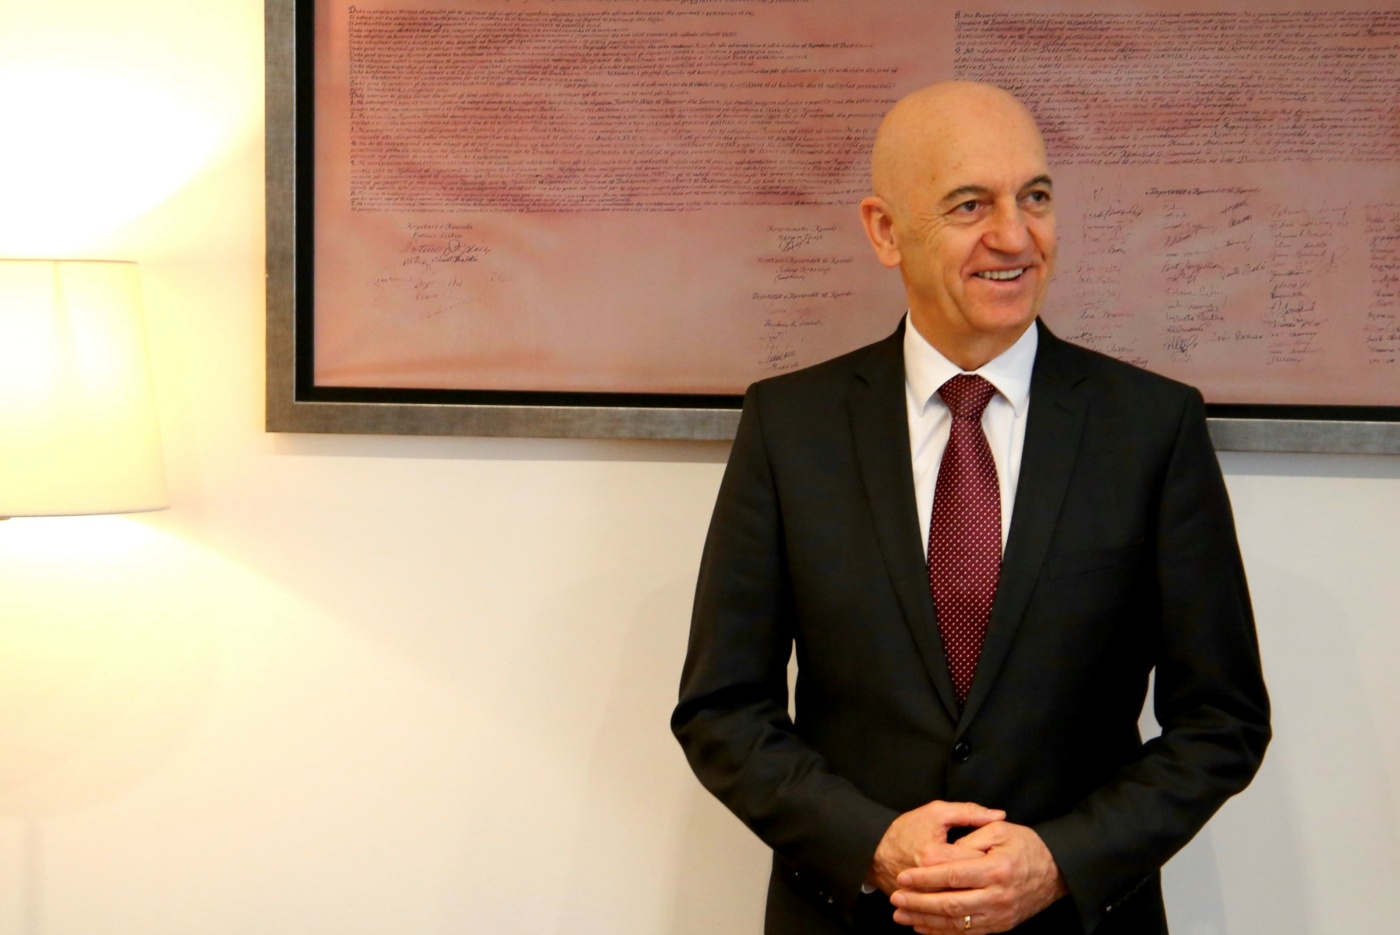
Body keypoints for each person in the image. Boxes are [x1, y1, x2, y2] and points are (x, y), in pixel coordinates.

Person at [671, 81, 1270, 935]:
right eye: (970, 205)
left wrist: (1060, 859)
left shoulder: (1152, 427)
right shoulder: (789, 426)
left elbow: (1223, 719)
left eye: (1036, 197)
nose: (1016, 237)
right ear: (885, 230)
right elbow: (722, 709)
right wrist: (871, 842)